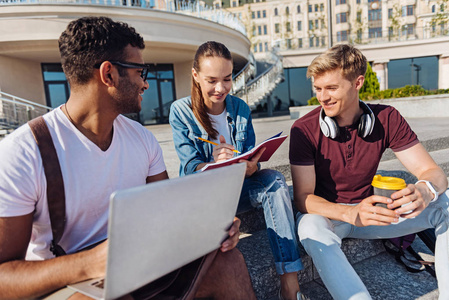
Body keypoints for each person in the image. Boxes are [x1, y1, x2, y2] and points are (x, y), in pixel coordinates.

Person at [0, 16, 256, 299]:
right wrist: (89, 264)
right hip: (67, 282)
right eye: (140, 72)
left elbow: (170, 212)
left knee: (227, 262)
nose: (145, 84)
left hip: (141, 263)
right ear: (108, 74)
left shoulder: (142, 139)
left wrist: (212, 226)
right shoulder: (24, 152)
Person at [289, 43, 449, 300]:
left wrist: (425, 189)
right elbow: (303, 198)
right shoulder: (303, 129)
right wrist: (349, 212)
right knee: (309, 226)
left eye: (331, 88)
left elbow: (432, 171)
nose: (322, 97)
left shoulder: (388, 118)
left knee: (446, 202)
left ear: (358, 82)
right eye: (318, 88)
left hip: (372, 214)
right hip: (330, 216)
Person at [169, 41, 305, 300]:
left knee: (275, 181)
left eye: (227, 79)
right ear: (196, 76)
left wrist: (252, 166)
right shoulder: (181, 111)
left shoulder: (240, 108)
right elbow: (189, 168)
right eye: (211, 80)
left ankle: (290, 284)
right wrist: (213, 162)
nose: (220, 88)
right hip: (204, 194)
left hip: (238, 188)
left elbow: (252, 157)